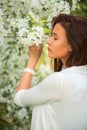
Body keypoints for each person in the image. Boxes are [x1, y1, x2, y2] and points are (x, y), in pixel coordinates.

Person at [14, 14, 87, 130]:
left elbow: (19, 98)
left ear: (73, 45)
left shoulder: (60, 81)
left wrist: (33, 59)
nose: (48, 41)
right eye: (50, 36)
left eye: (55, 38)